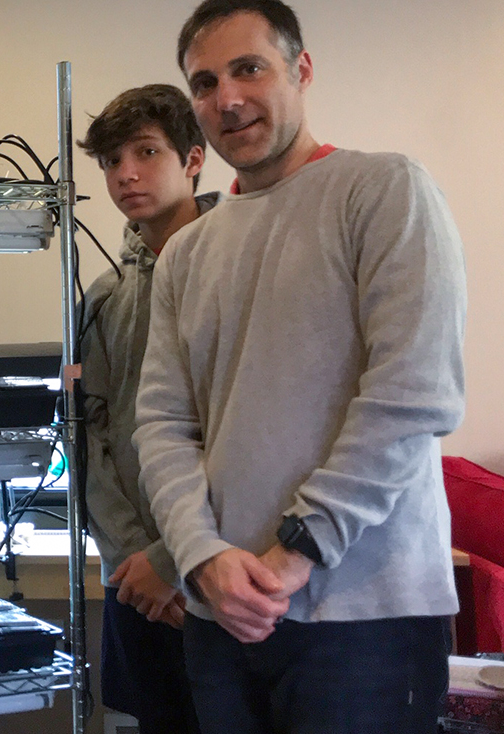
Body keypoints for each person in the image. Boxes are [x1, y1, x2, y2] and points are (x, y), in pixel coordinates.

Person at [133, 1, 467, 731]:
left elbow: (412, 394)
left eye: (248, 68)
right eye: (204, 81)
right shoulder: (187, 251)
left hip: (364, 620)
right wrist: (201, 558)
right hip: (220, 614)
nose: (227, 98)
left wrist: (298, 552)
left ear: (302, 69)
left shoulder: (383, 191)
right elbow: (162, 422)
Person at [77, 84, 213, 734]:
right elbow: (87, 432)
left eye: (146, 152)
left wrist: (175, 559)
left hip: (221, 571)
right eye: (110, 160)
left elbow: (249, 431)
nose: (126, 173)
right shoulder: (105, 296)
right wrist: (136, 559)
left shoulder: (237, 267)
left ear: (192, 158)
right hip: (132, 579)